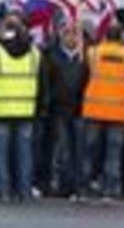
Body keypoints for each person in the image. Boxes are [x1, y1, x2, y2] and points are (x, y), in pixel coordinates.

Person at [0, 13, 48, 201]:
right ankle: (24, 190)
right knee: (25, 153)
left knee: (0, 153)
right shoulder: (35, 53)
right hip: (26, 109)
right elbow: (43, 84)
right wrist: (41, 108)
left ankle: (3, 190)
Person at [82, 23, 124, 200]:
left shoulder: (93, 53)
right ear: (122, 37)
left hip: (94, 108)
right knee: (113, 153)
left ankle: (85, 186)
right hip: (118, 110)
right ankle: (111, 189)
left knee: (89, 151)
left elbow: (88, 74)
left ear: (105, 36)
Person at [46, 22, 87, 199]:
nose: (71, 37)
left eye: (74, 33)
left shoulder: (85, 58)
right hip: (59, 109)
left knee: (80, 150)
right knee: (62, 150)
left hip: (80, 109)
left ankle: (78, 185)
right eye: (67, 33)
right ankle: (63, 184)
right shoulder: (52, 57)